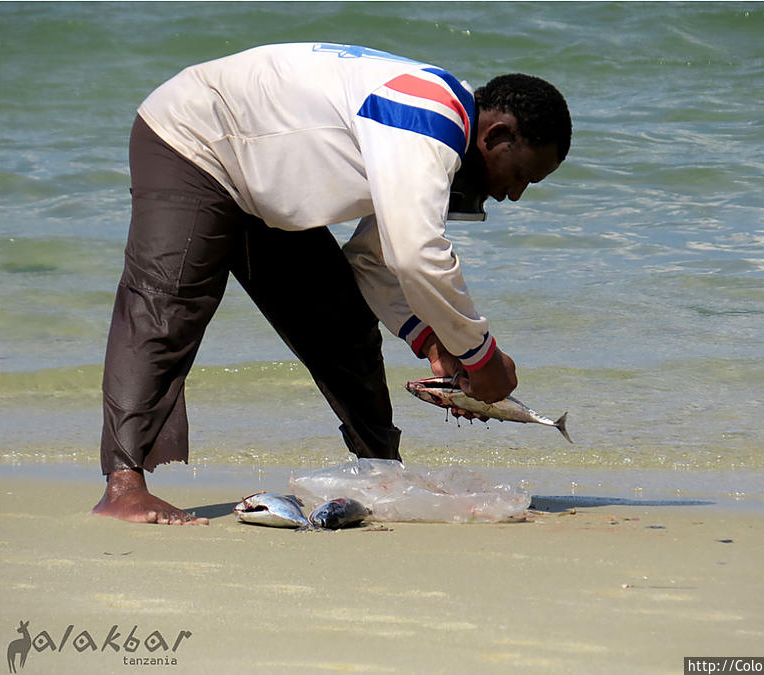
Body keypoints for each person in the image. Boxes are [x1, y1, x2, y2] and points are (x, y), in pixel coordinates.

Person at [91, 42, 572, 525]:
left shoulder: (438, 137)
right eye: (522, 174)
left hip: (261, 180)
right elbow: (417, 255)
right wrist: (481, 356)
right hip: (193, 136)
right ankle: (124, 485)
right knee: (166, 306)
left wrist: (433, 343)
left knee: (341, 322)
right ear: (498, 134)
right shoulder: (430, 118)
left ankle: (383, 471)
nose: (515, 194)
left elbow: (372, 258)